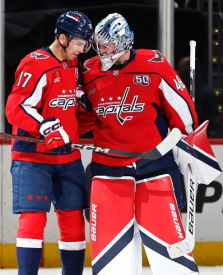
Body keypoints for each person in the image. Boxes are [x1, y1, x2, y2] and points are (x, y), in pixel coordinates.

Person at [82, 13, 199, 274]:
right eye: (99, 45)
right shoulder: (89, 71)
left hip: (154, 168)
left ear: (124, 42)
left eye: (108, 45)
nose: (102, 51)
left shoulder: (153, 64)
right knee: (112, 259)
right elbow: (80, 118)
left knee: (170, 254)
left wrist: (186, 146)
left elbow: (185, 117)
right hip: (109, 171)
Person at [5, 11, 93, 275]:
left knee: (74, 222)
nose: (83, 50)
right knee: (33, 220)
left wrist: (85, 112)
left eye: (87, 44)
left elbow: (69, 112)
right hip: (33, 159)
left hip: (68, 159)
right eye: (80, 43)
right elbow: (16, 107)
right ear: (63, 38)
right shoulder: (36, 63)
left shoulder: (73, 64)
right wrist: (46, 127)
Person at [176, 56, 223, 136]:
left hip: (201, 137)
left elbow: (212, 122)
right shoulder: (178, 91)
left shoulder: (206, 93)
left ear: (190, 71)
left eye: (181, 69)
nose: (177, 72)